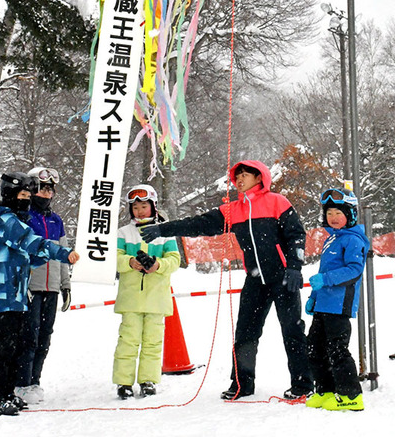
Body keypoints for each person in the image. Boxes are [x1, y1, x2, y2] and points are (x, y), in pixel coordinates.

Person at [141, 159, 313, 400]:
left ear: (259, 177)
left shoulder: (277, 202)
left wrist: (295, 267)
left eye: (245, 174)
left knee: (292, 331)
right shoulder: (233, 210)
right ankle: (242, 384)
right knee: (245, 333)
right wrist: (163, 229)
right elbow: (198, 224)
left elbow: (296, 235)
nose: (239, 179)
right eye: (237, 175)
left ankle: (303, 384)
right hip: (255, 280)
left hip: (283, 277)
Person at [0, 172, 79, 418]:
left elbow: (29, 255)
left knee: (15, 346)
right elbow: (28, 241)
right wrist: (61, 252)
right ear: (10, 195)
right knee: (4, 347)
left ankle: (5, 393)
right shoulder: (5, 220)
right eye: (22, 195)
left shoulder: (14, 219)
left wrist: (47, 255)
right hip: (2, 295)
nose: (26, 200)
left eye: (28, 196)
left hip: (17, 295)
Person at [113, 184, 180, 400]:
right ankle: (123, 382)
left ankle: (148, 380)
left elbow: (174, 259)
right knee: (128, 341)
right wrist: (129, 261)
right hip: (131, 298)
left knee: (153, 341)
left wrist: (157, 265)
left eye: (144, 206)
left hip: (156, 299)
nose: (140, 211)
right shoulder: (123, 233)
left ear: (153, 206)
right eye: (135, 207)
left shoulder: (165, 233)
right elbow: (113, 258)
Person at [305, 187, 369, 412]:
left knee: (337, 349)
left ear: (349, 215)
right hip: (323, 304)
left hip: (339, 305)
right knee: (314, 347)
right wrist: (314, 297)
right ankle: (327, 390)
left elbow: (353, 270)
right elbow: (323, 275)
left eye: (338, 213)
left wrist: (326, 279)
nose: (333, 218)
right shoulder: (331, 240)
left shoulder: (352, 240)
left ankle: (351, 395)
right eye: (329, 213)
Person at [13, 166, 72, 404]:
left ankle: (35, 380)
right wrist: (22, 281)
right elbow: (19, 251)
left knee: (45, 336)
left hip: (51, 287)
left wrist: (65, 284)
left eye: (50, 189)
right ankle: (21, 382)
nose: (46, 194)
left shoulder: (56, 220)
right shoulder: (24, 216)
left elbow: (64, 254)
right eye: (42, 188)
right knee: (29, 335)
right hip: (31, 286)